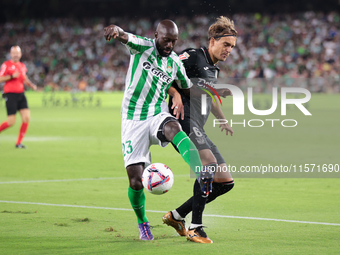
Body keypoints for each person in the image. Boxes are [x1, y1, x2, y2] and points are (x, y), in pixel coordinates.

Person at [103, 20, 212, 241]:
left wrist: (202, 96)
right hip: (133, 120)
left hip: (156, 114)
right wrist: (116, 30)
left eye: (174, 41)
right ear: (156, 36)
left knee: (173, 127)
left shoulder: (174, 63)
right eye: (166, 40)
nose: (170, 45)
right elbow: (125, 36)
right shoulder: (142, 46)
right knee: (135, 181)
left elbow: (186, 87)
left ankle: (200, 171)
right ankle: (143, 223)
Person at [162, 16, 237, 243]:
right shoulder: (193, 56)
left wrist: (222, 119)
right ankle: (196, 227)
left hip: (199, 127)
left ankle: (176, 216)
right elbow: (164, 73)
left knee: (225, 181)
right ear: (212, 41)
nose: (229, 50)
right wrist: (174, 94)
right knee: (208, 166)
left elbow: (209, 97)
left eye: (232, 47)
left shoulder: (213, 70)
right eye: (226, 45)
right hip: (182, 122)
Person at [0, 46, 37, 148]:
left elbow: (24, 78)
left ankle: (19, 143)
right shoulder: (6, 65)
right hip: (11, 94)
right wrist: (11, 76)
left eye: (17, 53)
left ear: (20, 54)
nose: (16, 55)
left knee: (26, 118)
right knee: (11, 122)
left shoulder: (22, 66)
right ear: (11, 54)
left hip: (21, 94)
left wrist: (31, 85)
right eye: (14, 53)